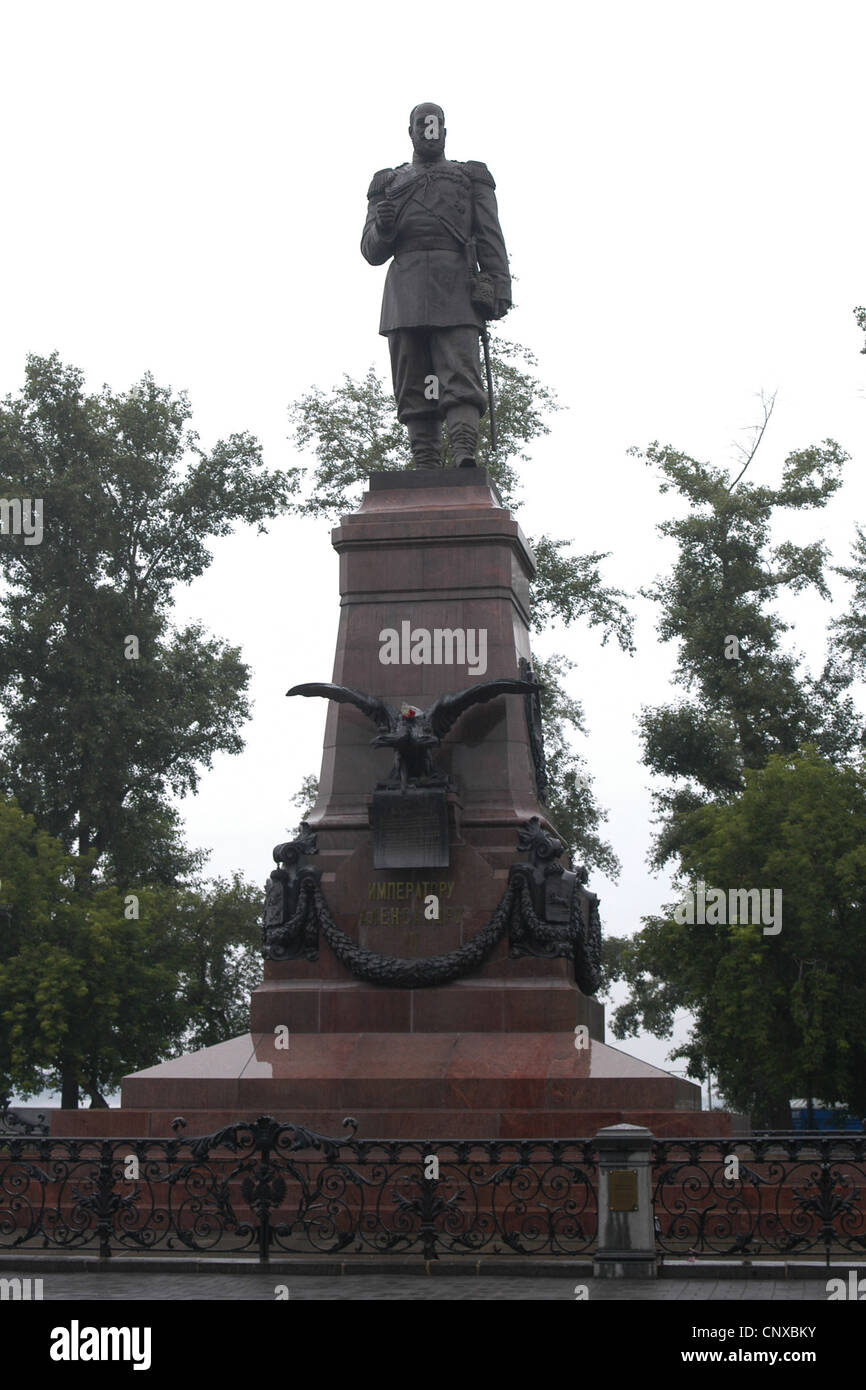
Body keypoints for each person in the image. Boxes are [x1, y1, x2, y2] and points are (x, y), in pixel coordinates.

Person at [361, 102, 512, 469]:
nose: (429, 131)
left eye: (435, 125)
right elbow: (370, 251)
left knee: (459, 373)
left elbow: (490, 238)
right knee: (414, 380)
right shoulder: (387, 183)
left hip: (456, 286)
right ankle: (425, 459)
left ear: (444, 130)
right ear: (410, 131)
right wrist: (383, 228)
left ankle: (463, 452)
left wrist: (498, 289)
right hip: (405, 292)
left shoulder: (470, 177)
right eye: (422, 125)